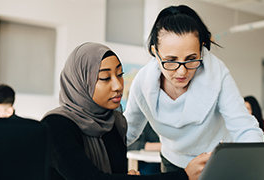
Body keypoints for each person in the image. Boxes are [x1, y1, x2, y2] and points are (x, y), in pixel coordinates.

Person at [124, 4, 264, 173]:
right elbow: (127, 132)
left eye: (191, 59)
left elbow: (244, 127)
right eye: (171, 60)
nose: (182, 71)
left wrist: (256, 166)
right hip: (172, 160)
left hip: (213, 159)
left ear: (201, 51)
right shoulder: (142, 82)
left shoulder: (216, 73)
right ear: (155, 53)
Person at [41, 42, 211, 180]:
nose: (118, 86)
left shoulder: (115, 123)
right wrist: (183, 176)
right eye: (105, 78)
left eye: (120, 74)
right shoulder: (56, 126)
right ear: (80, 83)